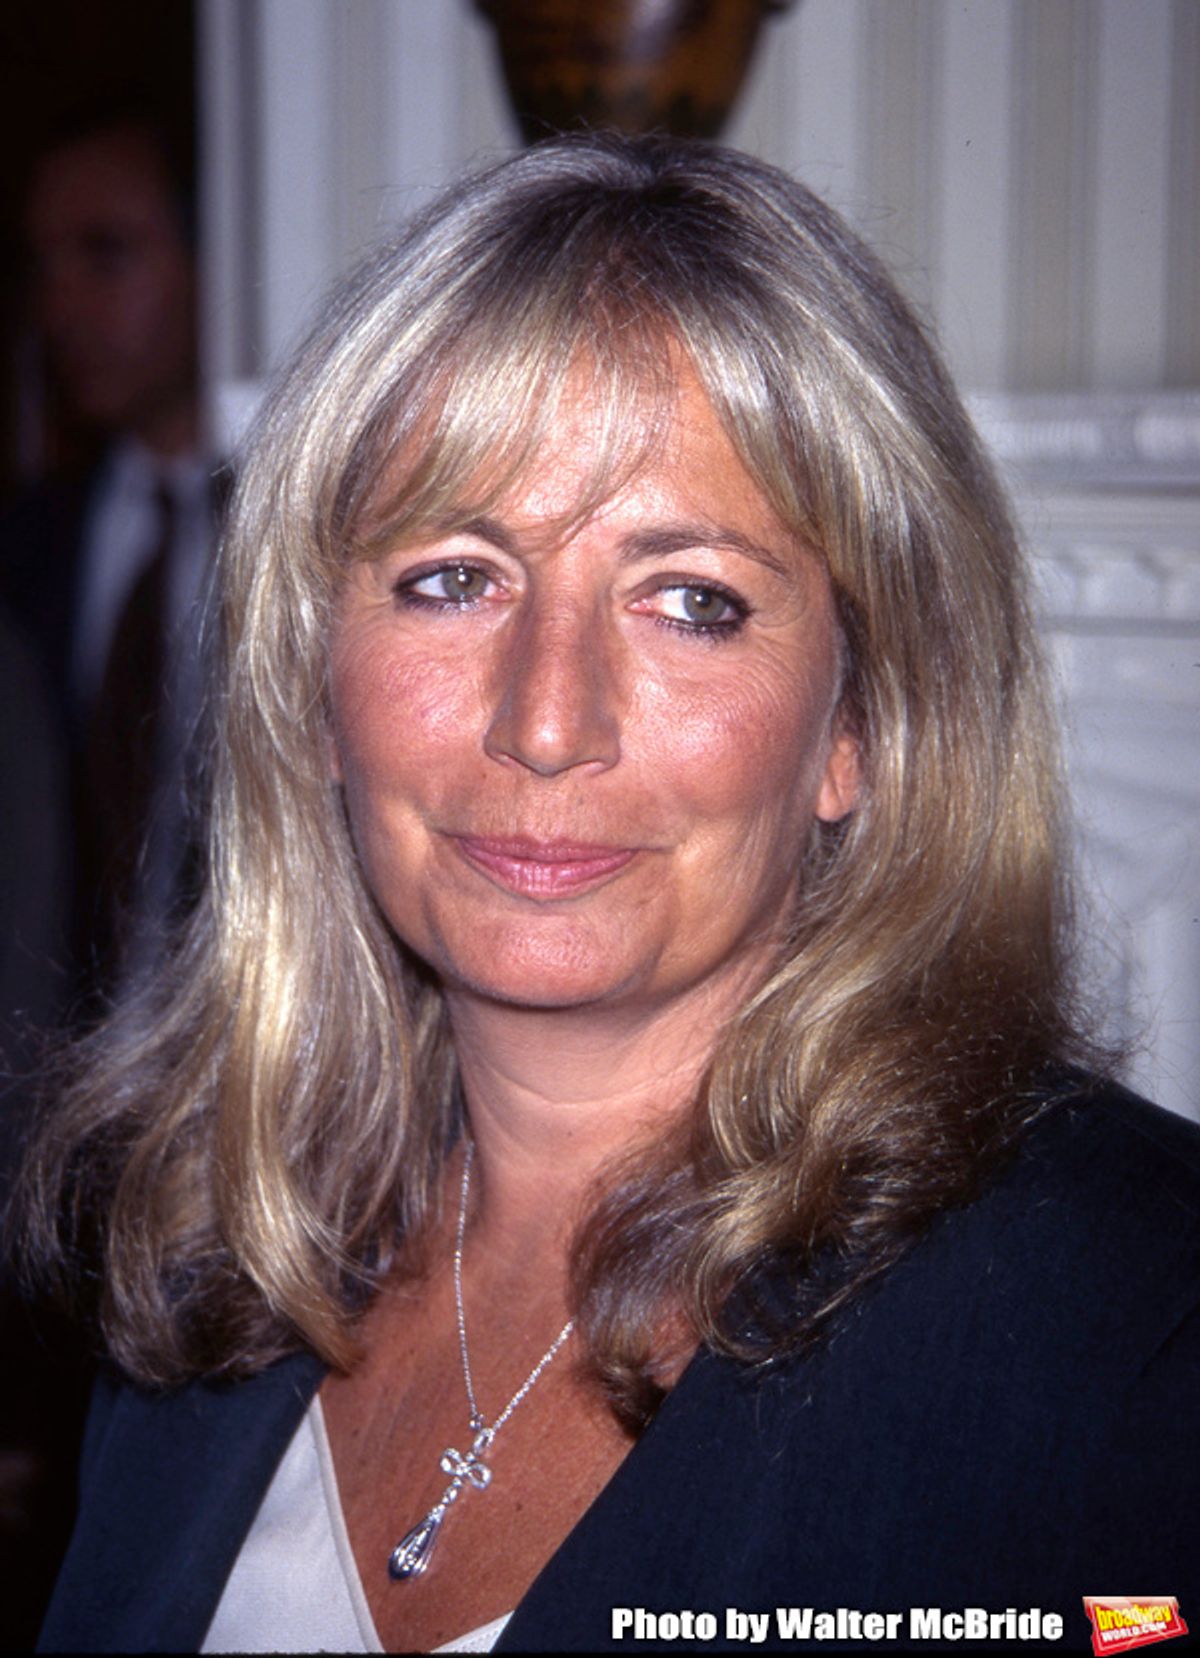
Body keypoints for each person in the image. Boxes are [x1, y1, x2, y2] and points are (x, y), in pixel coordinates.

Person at [20, 133, 1199, 1654]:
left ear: (859, 726)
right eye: (453, 575)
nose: (547, 719)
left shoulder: (1133, 1328)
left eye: (690, 599)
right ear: (315, 684)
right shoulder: (217, 1252)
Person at [1, 98, 219, 997]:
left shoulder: (308, 535)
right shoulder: (25, 547)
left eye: (106, 252)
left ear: (218, 258)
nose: (62, 306)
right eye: (43, 266)